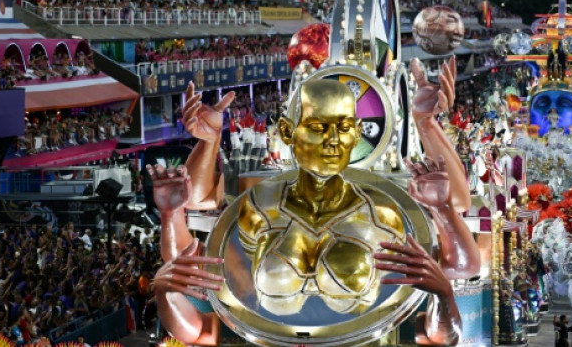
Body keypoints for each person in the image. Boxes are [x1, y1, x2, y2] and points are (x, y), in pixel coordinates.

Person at [152, 58, 478, 346]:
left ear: (358, 131)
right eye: (319, 127)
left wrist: (428, 130)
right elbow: (193, 292)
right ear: (288, 131)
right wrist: (171, 220)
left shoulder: (383, 215)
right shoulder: (257, 208)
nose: (333, 141)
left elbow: (457, 283)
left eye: (344, 127)